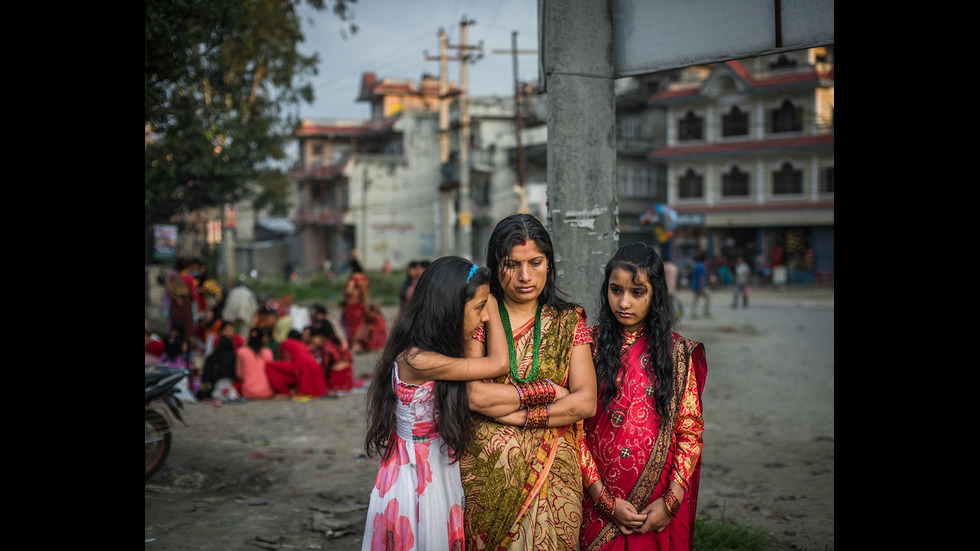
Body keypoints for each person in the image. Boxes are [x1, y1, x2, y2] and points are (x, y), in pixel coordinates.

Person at [460, 213, 597, 551]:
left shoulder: (568, 321)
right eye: (511, 264)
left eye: (535, 262)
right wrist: (548, 392)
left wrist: (517, 415)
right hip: (489, 474)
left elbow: (585, 402)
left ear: (549, 264)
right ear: (495, 265)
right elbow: (474, 395)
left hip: (555, 474)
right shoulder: (481, 316)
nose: (524, 276)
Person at [361, 256, 509, 551]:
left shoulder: (433, 351)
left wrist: (482, 297)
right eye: (479, 308)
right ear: (450, 309)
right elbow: (499, 363)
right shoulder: (418, 360)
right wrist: (491, 299)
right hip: (416, 477)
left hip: (433, 467)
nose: (486, 318)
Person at [579, 243, 707, 551]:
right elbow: (573, 431)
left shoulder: (677, 354)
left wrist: (671, 501)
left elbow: (689, 431)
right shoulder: (586, 345)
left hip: (657, 503)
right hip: (596, 499)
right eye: (615, 290)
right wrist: (604, 500)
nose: (624, 302)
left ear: (655, 294)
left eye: (637, 292)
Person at [266, 329, 328, 398]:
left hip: (300, 364)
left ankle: (282, 391)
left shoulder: (285, 343)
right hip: (314, 364)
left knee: (270, 366)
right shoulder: (302, 344)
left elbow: (284, 358)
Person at [310, 320, 354, 394]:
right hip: (347, 375)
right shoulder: (336, 342)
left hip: (337, 377)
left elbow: (325, 366)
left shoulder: (326, 347)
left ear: (321, 336)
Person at [235, 326, 275, 400]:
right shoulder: (268, 352)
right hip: (266, 391)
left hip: (248, 391)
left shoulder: (241, 351)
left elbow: (239, 375)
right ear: (262, 339)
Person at [343, 259, 371, 352]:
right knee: (361, 324)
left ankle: (355, 345)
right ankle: (360, 344)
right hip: (362, 304)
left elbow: (349, 290)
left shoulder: (353, 278)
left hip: (352, 304)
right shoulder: (364, 278)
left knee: (353, 325)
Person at [690, 253, 711, 319]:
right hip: (700, 286)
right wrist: (701, 287)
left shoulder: (695, 265)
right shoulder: (702, 266)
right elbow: (701, 278)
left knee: (695, 300)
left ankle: (694, 313)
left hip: (695, 285)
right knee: (708, 297)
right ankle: (706, 312)